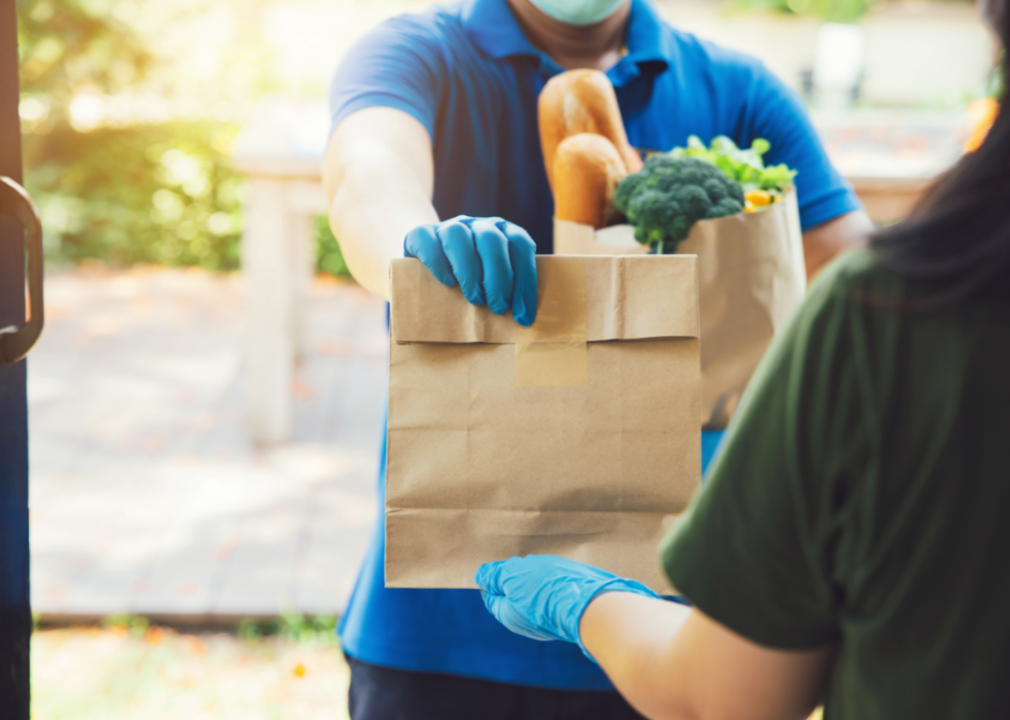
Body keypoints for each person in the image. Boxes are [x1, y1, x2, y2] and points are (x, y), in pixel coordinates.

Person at [323, 0, 872, 715]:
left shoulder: (737, 89)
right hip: (445, 628)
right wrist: (411, 247)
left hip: (671, 634)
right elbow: (366, 171)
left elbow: (862, 277)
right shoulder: (422, 52)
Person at [476, 2, 1010, 717]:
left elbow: (725, 697)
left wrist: (584, 600)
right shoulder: (425, 54)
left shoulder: (892, 321)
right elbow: (369, 167)